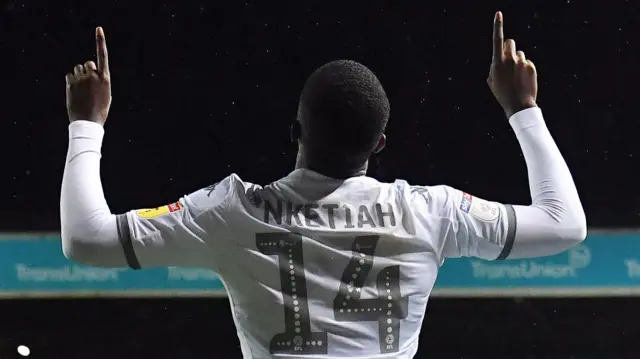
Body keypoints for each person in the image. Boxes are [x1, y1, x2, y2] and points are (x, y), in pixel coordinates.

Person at [61, 12, 586, 359]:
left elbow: (85, 239)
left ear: (295, 131)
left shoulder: (231, 211)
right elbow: (566, 225)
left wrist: (87, 122)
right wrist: (524, 109)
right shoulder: (432, 213)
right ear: (380, 144)